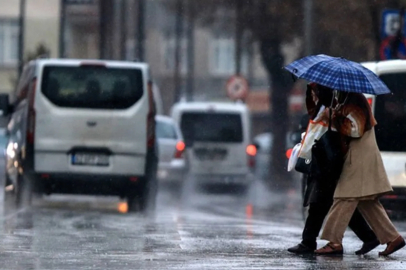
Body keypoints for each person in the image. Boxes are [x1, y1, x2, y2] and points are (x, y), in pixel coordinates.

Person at [288, 83, 379, 255]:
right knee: (331, 203)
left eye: (316, 89)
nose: (314, 92)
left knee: (321, 203)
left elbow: (350, 129)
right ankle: (367, 237)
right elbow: (313, 114)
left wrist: (333, 117)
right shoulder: (325, 104)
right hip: (320, 158)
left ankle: (309, 242)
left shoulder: (336, 104)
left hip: (328, 160)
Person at [314, 90, 405, 256]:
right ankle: (393, 238)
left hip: (360, 155)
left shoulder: (356, 100)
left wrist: (333, 118)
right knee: (366, 200)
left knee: (344, 196)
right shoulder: (345, 99)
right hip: (358, 153)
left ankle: (334, 242)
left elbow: (356, 130)